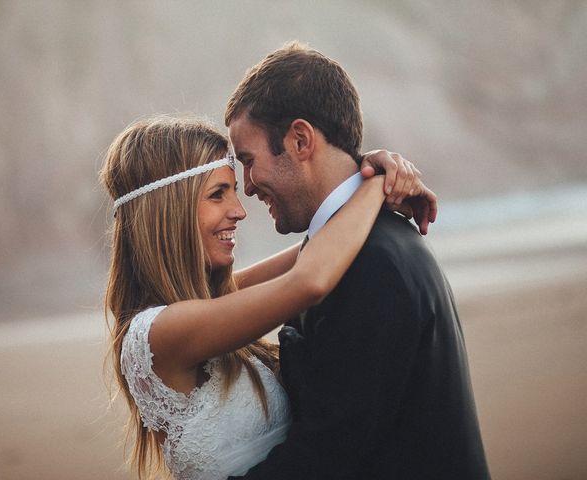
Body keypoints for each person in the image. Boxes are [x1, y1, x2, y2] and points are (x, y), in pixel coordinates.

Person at [100, 116, 433, 479]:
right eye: (217, 194)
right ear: (169, 211)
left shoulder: (207, 308)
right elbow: (310, 280)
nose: (239, 211)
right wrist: (378, 184)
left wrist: (362, 174)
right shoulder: (159, 334)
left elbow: (310, 250)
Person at [225, 42, 490, 479]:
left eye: (249, 162)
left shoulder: (373, 267)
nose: (248, 188)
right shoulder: (366, 243)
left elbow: (327, 456)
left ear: (300, 140)